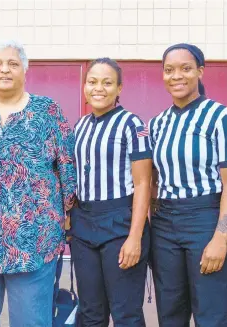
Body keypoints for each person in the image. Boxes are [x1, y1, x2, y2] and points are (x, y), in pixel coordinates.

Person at [0, 40, 76, 327]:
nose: (5, 70)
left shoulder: (48, 111)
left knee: (32, 322)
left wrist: (65, 217)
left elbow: (67, 168)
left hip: (34, 243)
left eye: (13, 63)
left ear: (25, 70)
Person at [149, 43, 227, 327]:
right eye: (169, 70)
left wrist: (221, 237)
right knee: (170, 310)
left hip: (205, 218)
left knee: (211, 311)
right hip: (164, 224)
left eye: (185, 68)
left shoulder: (219, 117)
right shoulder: (157, 123)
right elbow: (154, 179)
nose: (176, 76)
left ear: (200, 72)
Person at [71, 58, 152, 327]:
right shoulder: (80, 126)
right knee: (91, 313)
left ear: (119, 88)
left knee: (125, 313)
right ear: (85, 86)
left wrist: (135, 237)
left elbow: (143, 183)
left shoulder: (132, 124)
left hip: (120, 223)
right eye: (92, 82)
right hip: (84, 225)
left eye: (107, 83)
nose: (99, 88)